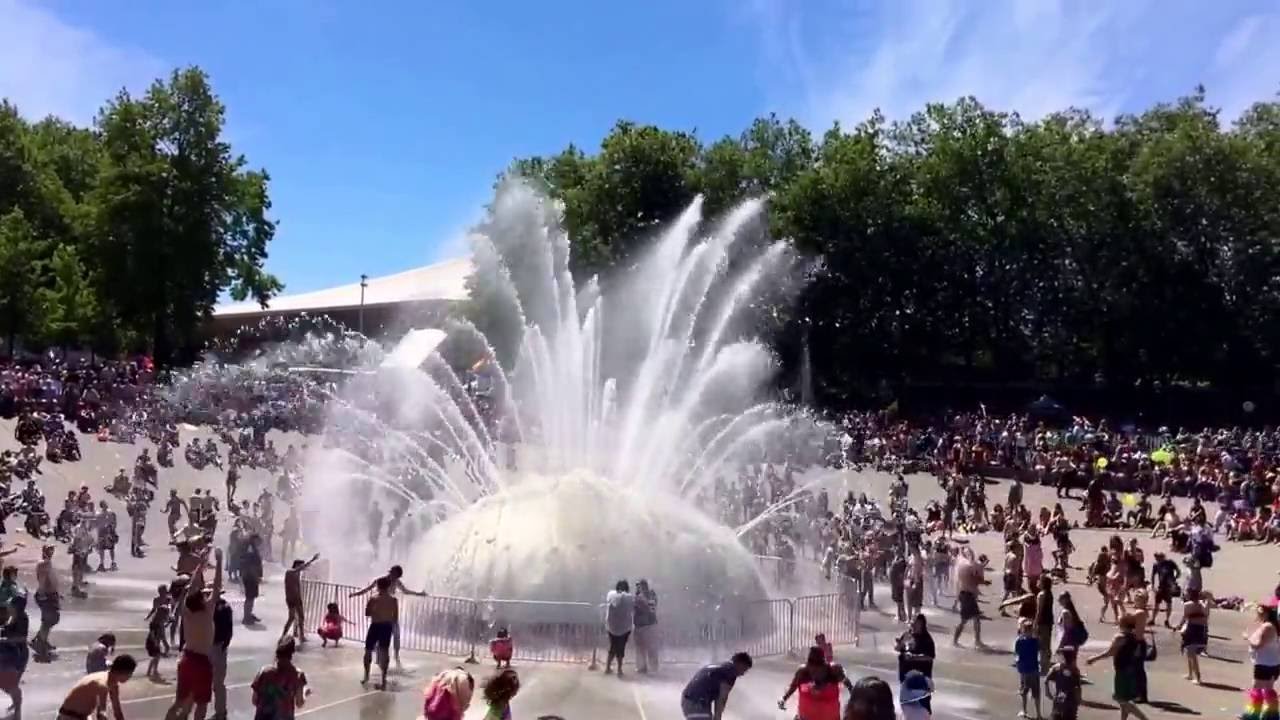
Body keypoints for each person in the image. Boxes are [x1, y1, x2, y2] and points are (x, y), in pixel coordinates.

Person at [163, 548, 222, 720]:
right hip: (201, 661)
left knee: (179, 701)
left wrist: (200, 566)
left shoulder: (186, 611)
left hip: (186, 658)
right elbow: (217, 587)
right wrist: (219, 562)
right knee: (201, 703)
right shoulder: (207, 611)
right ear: (202, 601)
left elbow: (191, 589)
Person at [349, 565, 426, 668]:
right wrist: (355, 594)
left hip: (390, 612)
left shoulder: (397, 582)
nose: (392, 575)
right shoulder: (381, 581)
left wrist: (419, 594)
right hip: (380, 612)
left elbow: (406, 591)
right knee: (379, 637)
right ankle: (379, 659)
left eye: (394, 574)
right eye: (391, 572)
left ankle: (395, 656)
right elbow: (367, 589)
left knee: (396, 634)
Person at [1086, 617, 1149, 720]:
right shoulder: (1136, 637)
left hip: (1122, 670)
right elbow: (1138, 654)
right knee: (1125, 699)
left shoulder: (1120, 637)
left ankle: (1143, 718)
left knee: (1120, 698)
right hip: (1132, 670)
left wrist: (1094, 658)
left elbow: (1109, 652)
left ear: (1122, 624)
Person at [57, 654, 137, 720]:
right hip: (68, 716)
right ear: (123, 672)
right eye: (130, 673)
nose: (130, 676)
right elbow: (101, 714)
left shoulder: (113, 685)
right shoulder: (102, 684)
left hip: (82, 716)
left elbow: (117, 712)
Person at [681, 651, 752, 720]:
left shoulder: (719, 666)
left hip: (687, 700)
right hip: (697, 702)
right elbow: (722, 698)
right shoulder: (730, 671)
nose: (742, 674)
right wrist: (718, 717)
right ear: (740, 664)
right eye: (744, 669)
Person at [250, 637, 308, 720]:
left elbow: (254, 700)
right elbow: (299, 703)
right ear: (292, 652)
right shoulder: (297, 675)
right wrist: (305, 693)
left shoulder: (264, 672)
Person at [362, 577, 398, 690]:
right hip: (387, 626)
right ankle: (383, 679)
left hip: (376, 625)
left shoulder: (373, 598)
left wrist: (374, 611)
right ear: (388, 586)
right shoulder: (393, 600)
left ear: (378, 586)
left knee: (368, 650)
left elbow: (367, 613)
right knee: (384, 652)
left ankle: (366, 676)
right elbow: (395, 617)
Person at [896, 614, 936, 712]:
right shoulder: (907, 635)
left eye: (915, 622)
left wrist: (914, 657)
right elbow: (898, 648)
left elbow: (930, 657)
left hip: (921, 679)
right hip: (906, 676)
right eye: (911, 621)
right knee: (908, 706)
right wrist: (900, 644)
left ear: (921, 624)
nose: (912, 624)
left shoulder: (927, 639)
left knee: (922, 706)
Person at [278, 553, 320, 643]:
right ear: (297, 565)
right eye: (301, 566)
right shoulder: (289, 572)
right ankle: (283, 636)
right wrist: (312, 560)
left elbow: (303, 569)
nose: (302, 568)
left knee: (301, 617)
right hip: (291, 598)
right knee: (291, 618)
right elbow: (300, 568)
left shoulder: (297, 573)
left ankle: (301, 636)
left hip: (297, 598)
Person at [0, 594, 29, 720]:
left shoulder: (22, 619)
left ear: (17, 607)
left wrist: (4, 640)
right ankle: (16, 707)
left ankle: (17, 711)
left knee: (10, 684)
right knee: (9, 684)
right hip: (8, 653)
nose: (8, 606)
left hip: (17, 655)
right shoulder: (12, 616)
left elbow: (22, 638)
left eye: (11, 604)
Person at [1176, 588, 1209, 684]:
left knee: (1191, 653)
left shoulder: (1187, 605)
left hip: (1191, 629)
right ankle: (1190, 674)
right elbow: (1206, 615)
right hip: (1201, 629)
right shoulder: (1202, 604)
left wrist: (1179, 626)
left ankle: (1198, 678)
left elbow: (1184, 617)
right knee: (1189, 652)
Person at [1244, 603, 1280, 692]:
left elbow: (1258, 645)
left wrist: (1247, 637)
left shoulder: (1267, 627)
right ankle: (1270, 702)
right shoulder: (1272, 625)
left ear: (1266, 613)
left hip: (1264, 664)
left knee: (1256, 691)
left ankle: (1258, 702)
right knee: (1268, 690)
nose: (1257, 615)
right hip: (1272, 662)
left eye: (1259, 613)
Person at [603, 579, 634, 676]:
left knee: (613, 646)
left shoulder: (611, 595)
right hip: (624, 627)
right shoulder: (629, 597)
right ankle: (619, 669)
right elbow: (632, 607)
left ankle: (608, 667)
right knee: (621, 648)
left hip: (611, 626)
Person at [33, 544, 59, 656]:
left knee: (52, 619)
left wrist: (57, 593)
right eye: (49, 549)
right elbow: (42, 580)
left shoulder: (48, 562)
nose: (51, 551)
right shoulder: (43, 563)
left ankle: (39, 639)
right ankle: (41, 643)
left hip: (51, 594)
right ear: (44, 551)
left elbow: (51, 579)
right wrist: (42, 594)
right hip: (46, 595)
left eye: (52, 549)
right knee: (48, 620)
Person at [1015, 619, 1043, 719]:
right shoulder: (1035, 641)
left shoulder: (1020, 641)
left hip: (1027, 670)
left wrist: (1018, 666)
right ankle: (1037, 714)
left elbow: (1017, 655)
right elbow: (1040, 650)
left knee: (1026, 691)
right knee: (1034, 692)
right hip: (1031, 670)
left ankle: (1026, 710)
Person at [1044, 646, 1082, 720]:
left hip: (1061, 698)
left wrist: (1047, 692)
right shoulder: (1074, 670)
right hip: (1069, 700)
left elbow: (1046, 680)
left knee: (1058, 716)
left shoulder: (1057, 667)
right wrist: (1079, 698)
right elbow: (1078, 687)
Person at [633, 579, 659, 674]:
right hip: (651, 624)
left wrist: (637, 596)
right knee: (651, 647)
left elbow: (637, 608)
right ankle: (653, 666)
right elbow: (653, 606)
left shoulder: (640, 597)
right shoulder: (652, 595)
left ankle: (643, 667)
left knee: (641, 647)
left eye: (639, 586)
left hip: (641, 625)